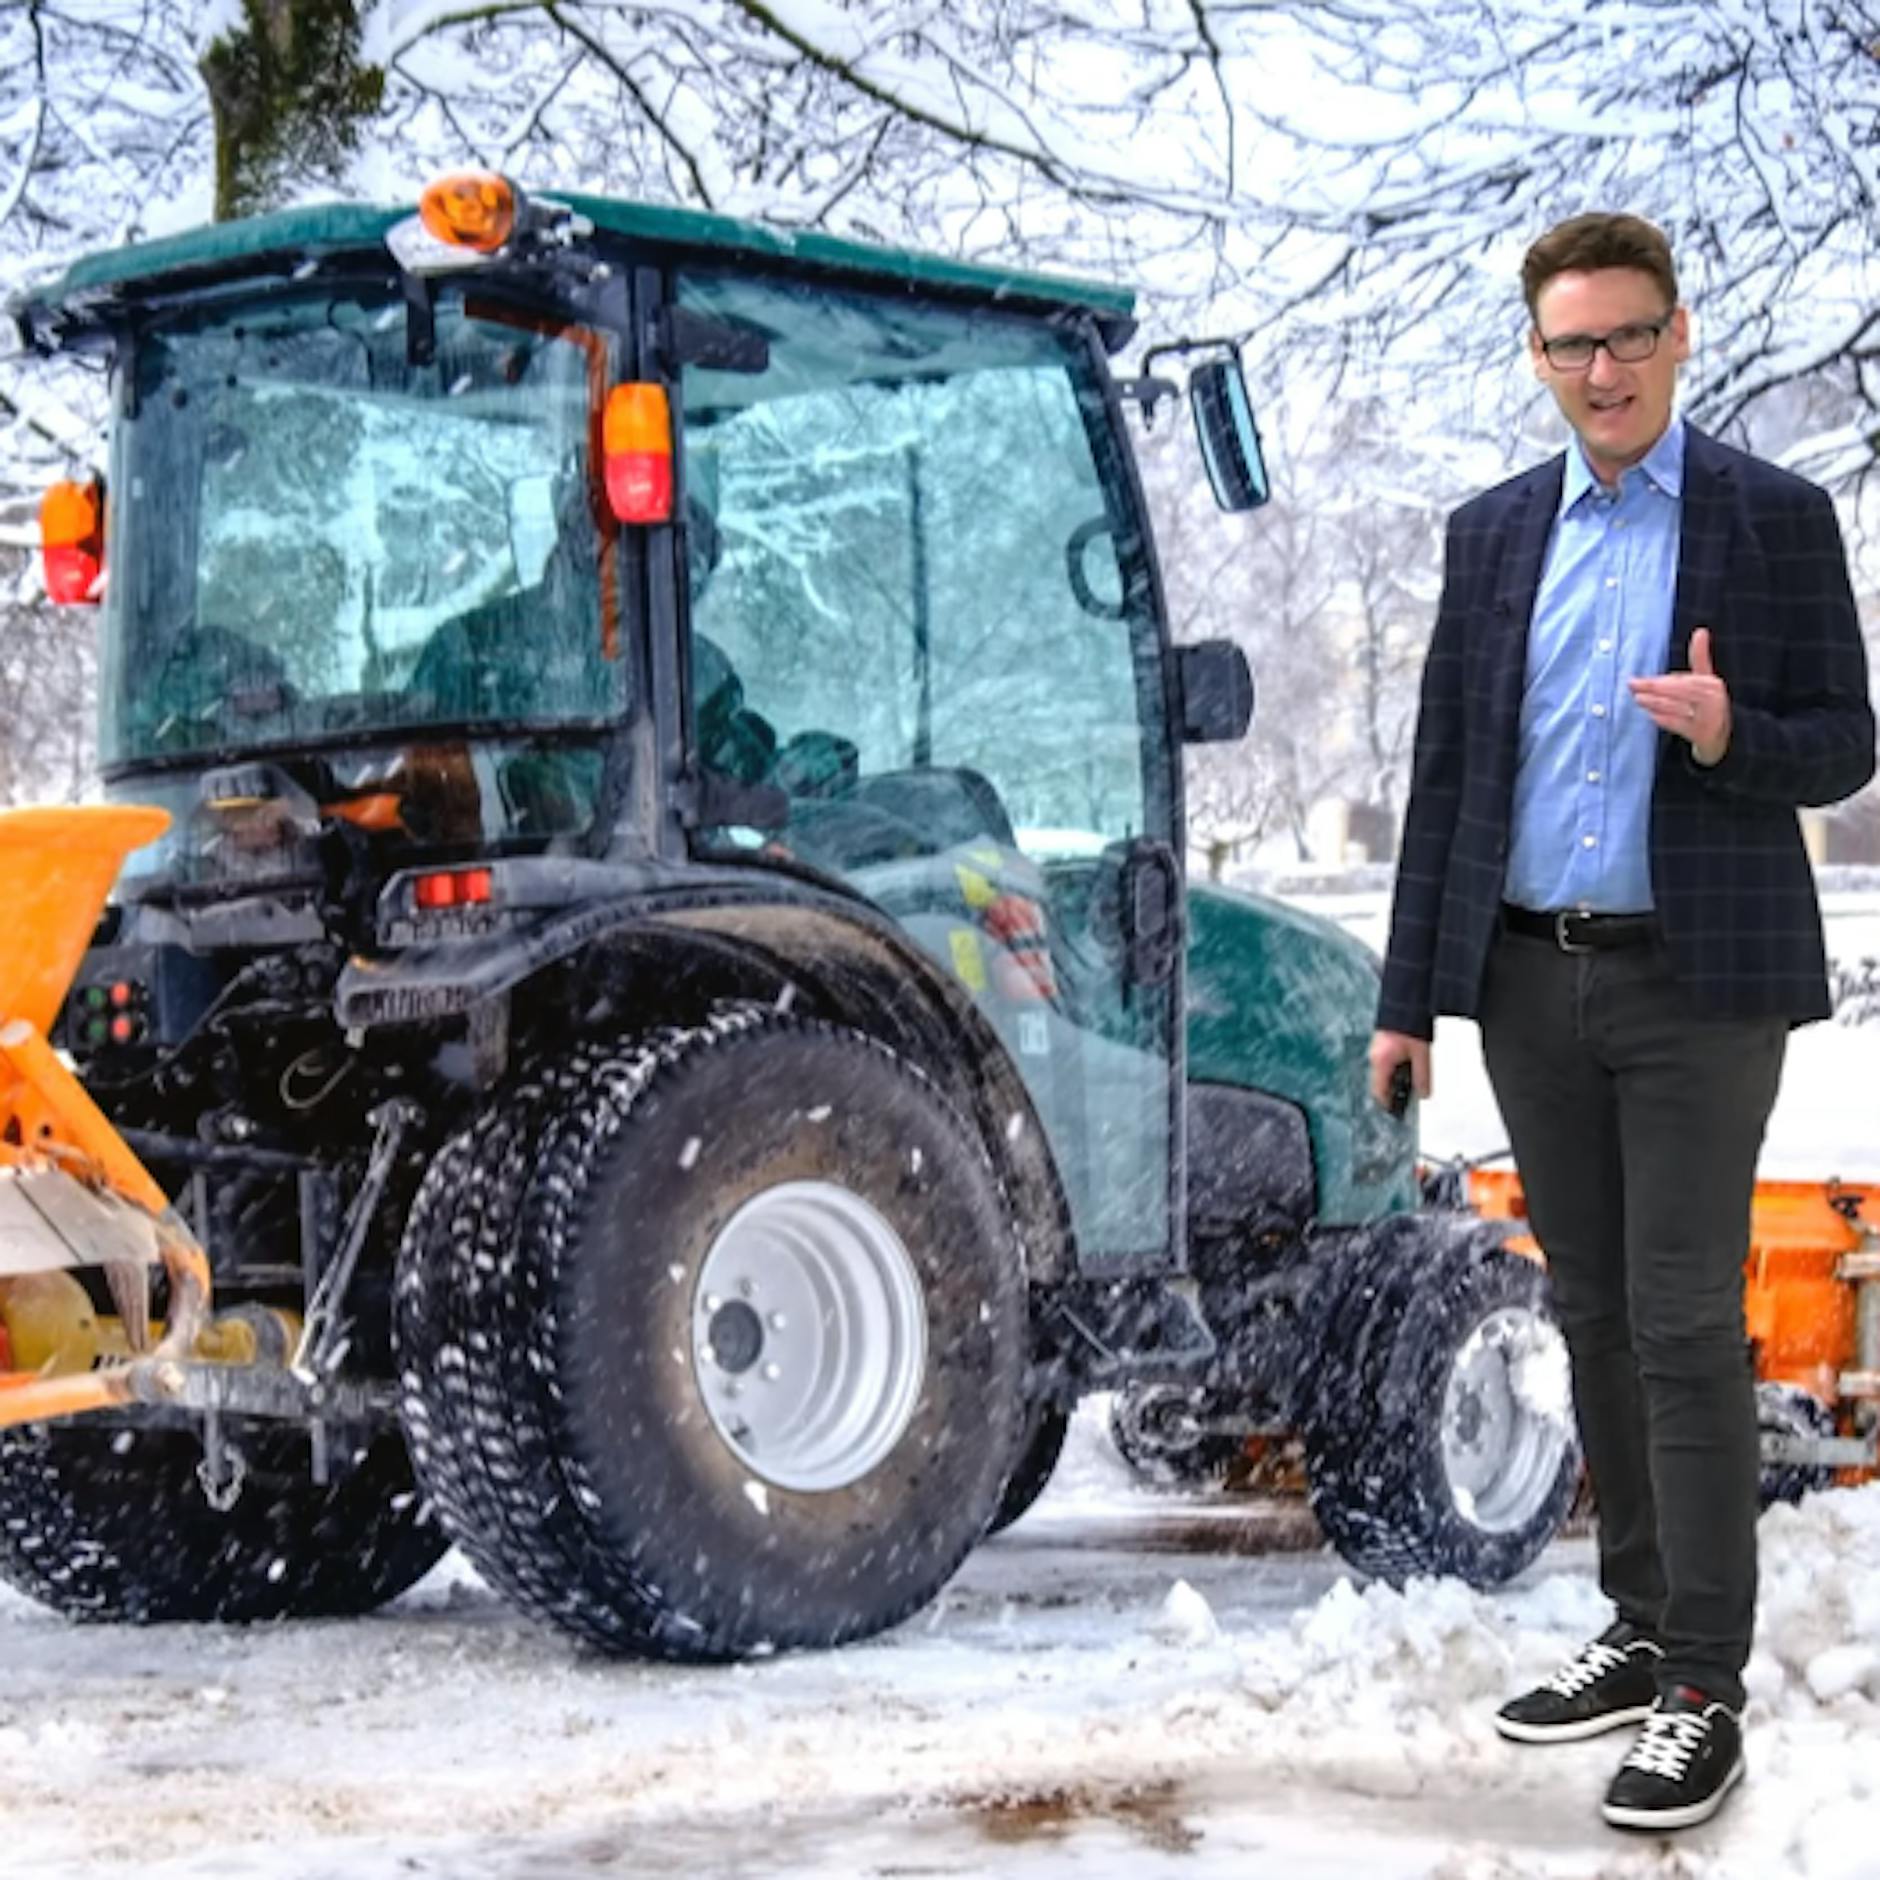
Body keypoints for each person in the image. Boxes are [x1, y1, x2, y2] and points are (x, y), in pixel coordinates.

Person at [1370, 212, 1875, 1833]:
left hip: (1696, 980)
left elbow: (1846, 741)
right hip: (1528, 975)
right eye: (1571, 344)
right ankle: (1641, 1622)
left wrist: (1734, 735)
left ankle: (1706, 1689)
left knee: (1678, 1320)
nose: (1603, 368)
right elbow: (1448, 771)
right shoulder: (1492, 534)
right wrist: (1408, 1004)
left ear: (1677, 337)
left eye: (1629, 336)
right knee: (1590, 1315)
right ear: (1539, 357)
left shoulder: (1772, 519)